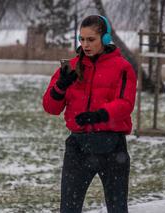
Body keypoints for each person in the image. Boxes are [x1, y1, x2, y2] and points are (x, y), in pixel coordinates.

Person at [42, 15, 137, 213]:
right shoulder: (72, 67)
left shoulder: (122, 68)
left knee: (117, 208)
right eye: (81, 39)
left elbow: (125, 104)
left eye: (91, 39)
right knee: (69, 208)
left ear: (105, 39)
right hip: (78, 148)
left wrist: (99, 115)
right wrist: (60, 87)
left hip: (112, 149)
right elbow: (50, 107)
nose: (85, 44)